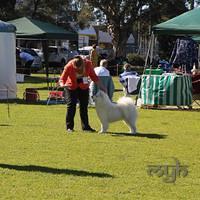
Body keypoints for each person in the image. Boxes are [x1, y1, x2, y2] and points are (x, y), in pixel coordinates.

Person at [59, 55, 105, 133]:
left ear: (83, 64)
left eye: (80, 69)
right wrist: (62, 85)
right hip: (71, 87)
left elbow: (94, 76)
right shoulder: (69, 66)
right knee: (71, 106)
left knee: (84, 107)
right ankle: (69, 127)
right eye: (76, 69)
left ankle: (86, 127)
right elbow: (62, 79)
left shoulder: (88, 64)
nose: (78, 70)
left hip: (84, 87)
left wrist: (102, 87)